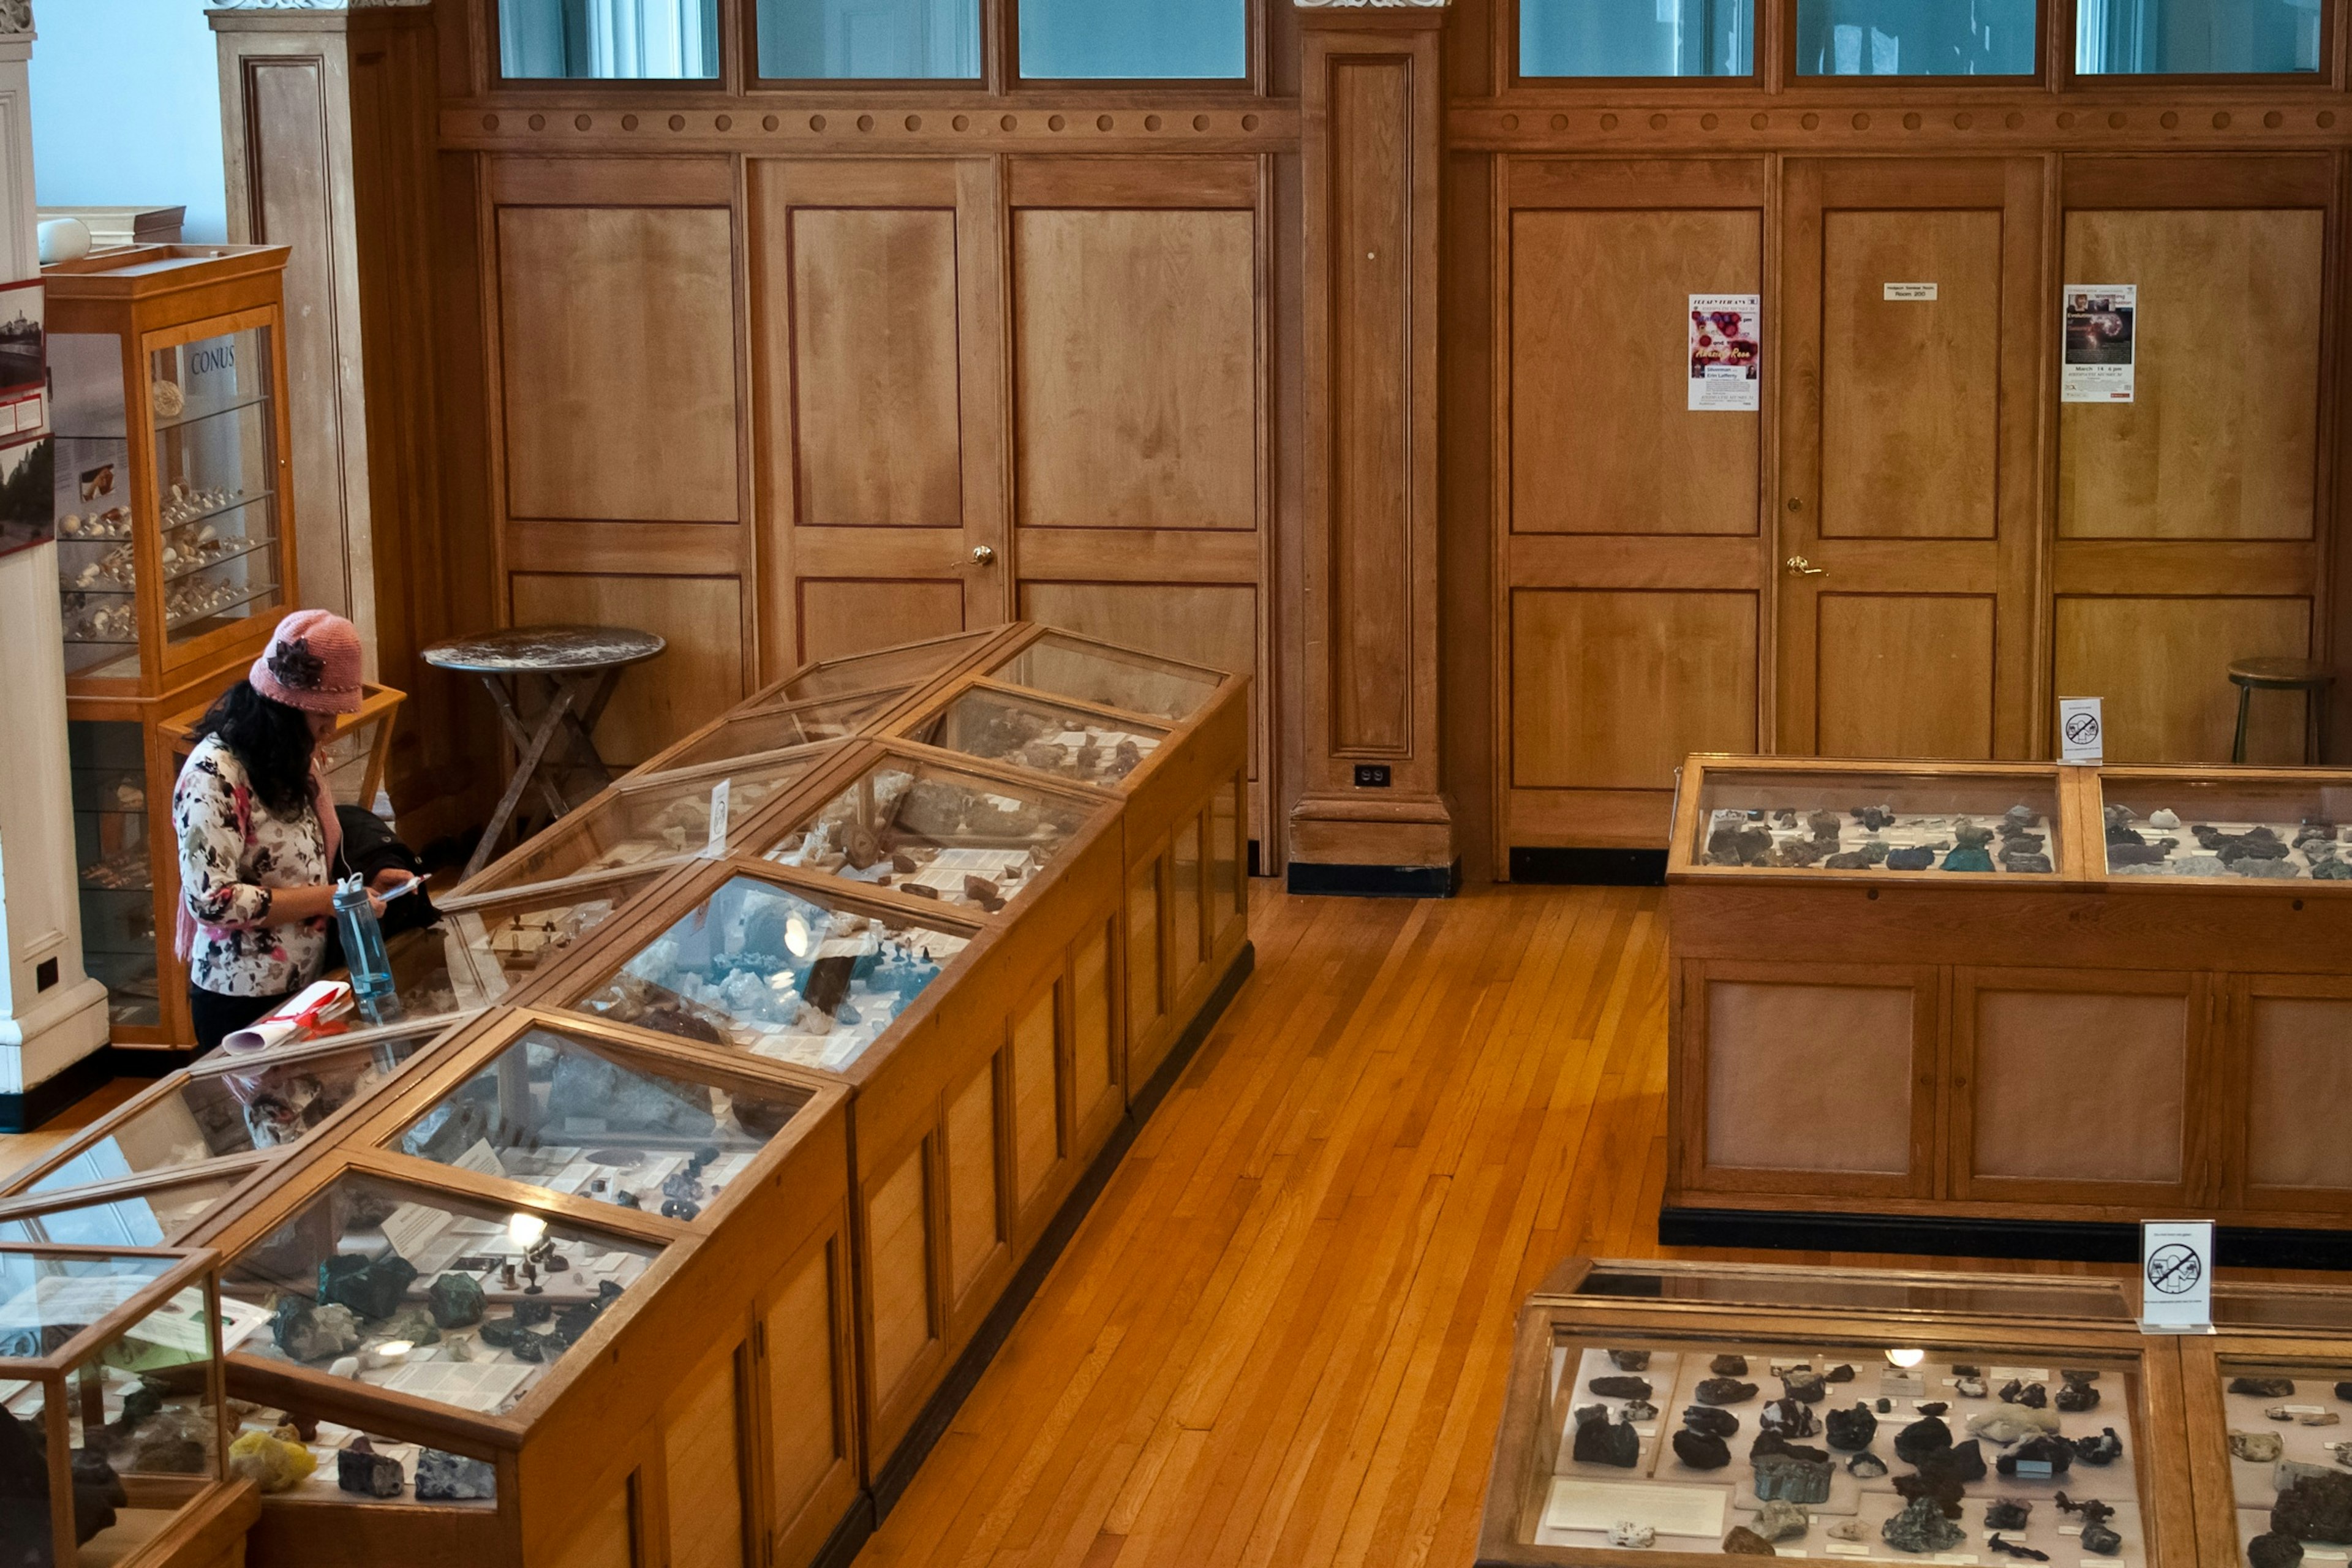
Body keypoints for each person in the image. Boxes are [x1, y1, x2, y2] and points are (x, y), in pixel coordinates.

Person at [173, 611, 417, 1052]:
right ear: (284, 706)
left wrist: (361, 887)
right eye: (324, 714)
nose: (332, 728)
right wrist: (330, 900)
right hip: (242, 1001)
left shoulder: (290, 759)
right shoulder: (214, 773)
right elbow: (211, 901)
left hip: (305, 984)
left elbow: (302, 864)